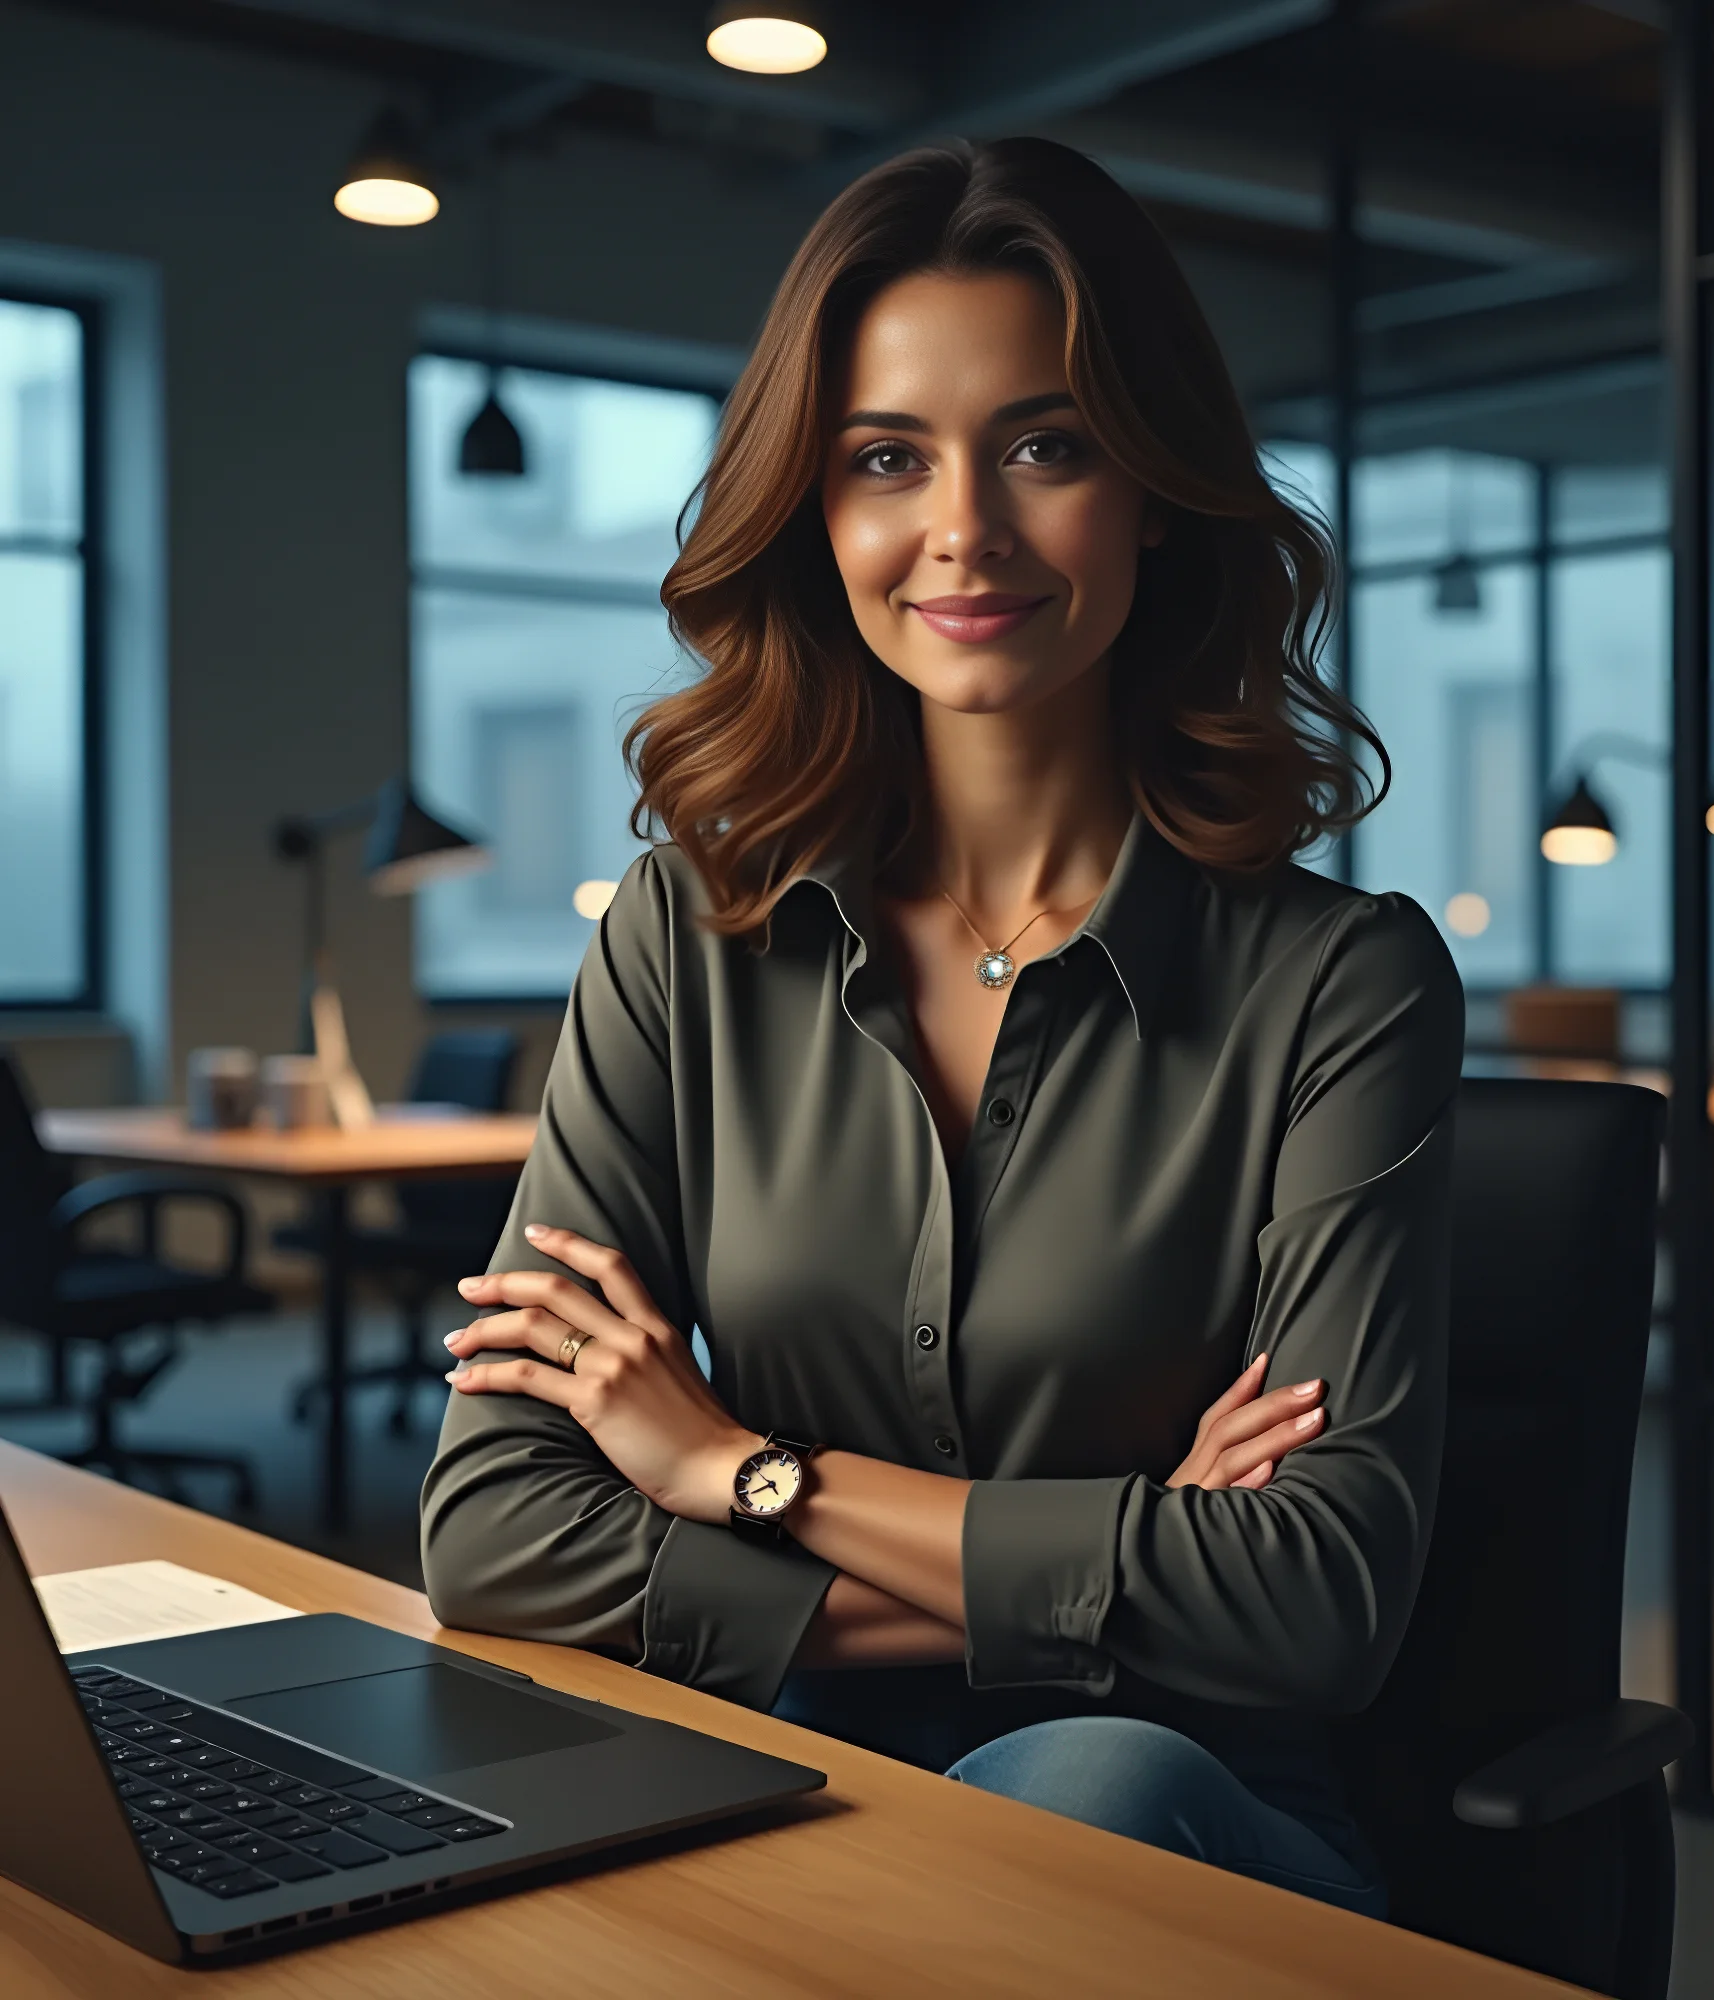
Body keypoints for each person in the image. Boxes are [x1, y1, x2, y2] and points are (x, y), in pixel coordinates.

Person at [420, 137, 1462, 1918]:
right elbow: (496, 1533)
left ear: (1153, 487)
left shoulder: (1340, 985)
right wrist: (1122, 1550)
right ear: (815, 514)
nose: (963, 530)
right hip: (758, 1784)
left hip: (1181, 1839)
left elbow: (1307, 1605)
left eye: (1045, 446)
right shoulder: (688, 932)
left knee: (1092, 1769)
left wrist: (730, 1471)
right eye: (886, 459)